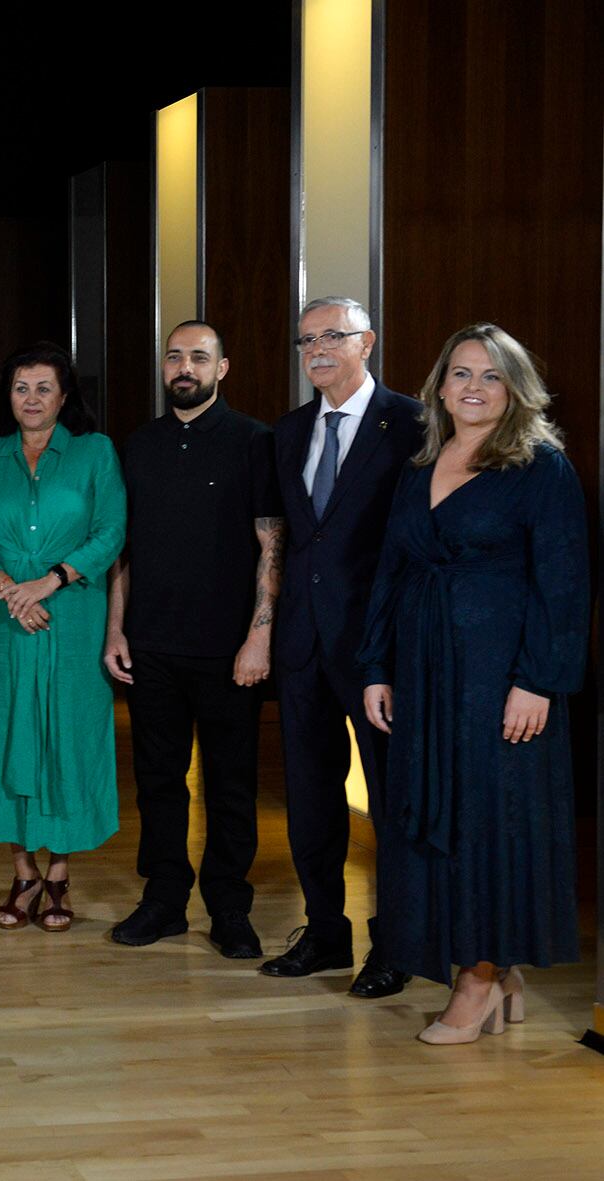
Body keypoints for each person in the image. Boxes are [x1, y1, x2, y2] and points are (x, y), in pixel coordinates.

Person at [359, 323, 588, 1044]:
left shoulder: (541, 467)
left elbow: (565, 584)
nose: (474, 388)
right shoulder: (421, 462)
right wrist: (377, 666)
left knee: (493, 825)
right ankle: (496, 971)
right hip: (425, 677)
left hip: (499, 680)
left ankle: (480, 979)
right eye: (460, 374)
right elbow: (391, 575)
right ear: (440, 386)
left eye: (491, 376)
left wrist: (538, 682)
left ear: (515, 388)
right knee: (439, 820)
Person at [105, 321, 282, 959]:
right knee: (158, 780)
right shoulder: (139, 445)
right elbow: (121, 550)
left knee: (232, 784)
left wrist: (259, 638)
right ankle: (165, 901)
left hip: (230, 650)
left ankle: (230, 908)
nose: (185, 367)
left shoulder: (254, 442)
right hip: (150, 644)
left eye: (198, 358)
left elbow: (272, 544)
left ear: (222, 368)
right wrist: (116, 628)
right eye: (175, 357)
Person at [261, 297, 421, 998]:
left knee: (391, 804)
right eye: (306, 340)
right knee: (312, 796)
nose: (317, 349)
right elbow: (292, 541)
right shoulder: (290, 429)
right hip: (302, 643)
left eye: (332, 336)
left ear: (368, 342)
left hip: (378, 647)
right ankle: (326, 932)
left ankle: (398, 943)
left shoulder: (413, 424)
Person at [0, 344, 126, 932]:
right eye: (21, 388)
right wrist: (11, 590)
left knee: (67, 738)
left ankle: (59, 871)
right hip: (1, 624)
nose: (31, 399)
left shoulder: (95, 452)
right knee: (3, 736)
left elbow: (111, 532)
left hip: (70, 618)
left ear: (64, 396)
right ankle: (23, 870)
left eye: (43, 388)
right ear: (8, 396)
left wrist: (47, 582)